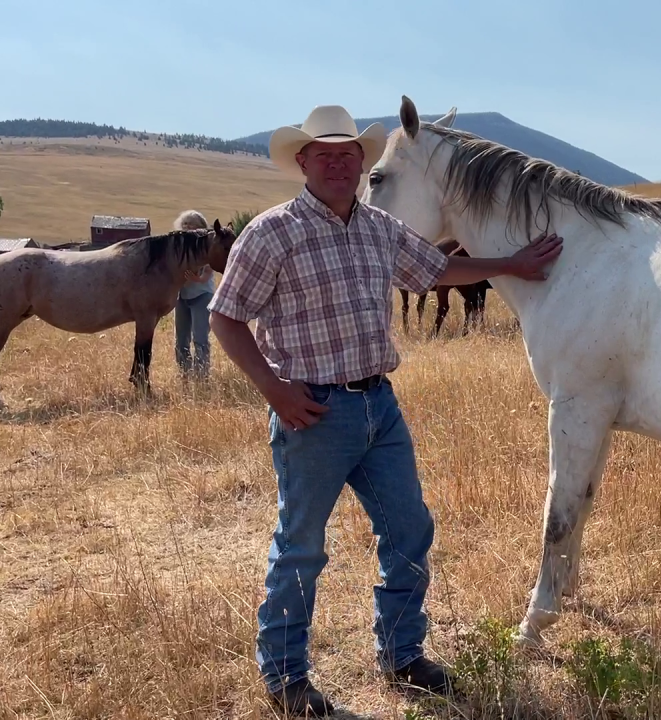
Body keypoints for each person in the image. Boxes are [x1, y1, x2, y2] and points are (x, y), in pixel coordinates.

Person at [208, 104, 562, 717]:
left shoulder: (377, 227)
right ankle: (286, 678)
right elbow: (224, 315)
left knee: (409, 531)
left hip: (378, 405)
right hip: (310, 411)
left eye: (350, 156)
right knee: (301, 548)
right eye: (326, 155)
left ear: (362, 164)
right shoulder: (271, 233)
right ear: (303, 162)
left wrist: (509, 264)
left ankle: (401, 654)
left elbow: (436, 268)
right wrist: (272, 388)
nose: (340, 165)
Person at [173, 210, 215, 379]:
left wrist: (195, 278)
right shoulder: (178, 248)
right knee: (181, 340)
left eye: (192, 225)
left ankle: (201, 376)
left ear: (201, 228)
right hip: (182, 298)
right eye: (185, 224)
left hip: (201, 297)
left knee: (200, 338)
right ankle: (185, 373)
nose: (188, 228)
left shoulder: (208, 247)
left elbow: (206, 276)